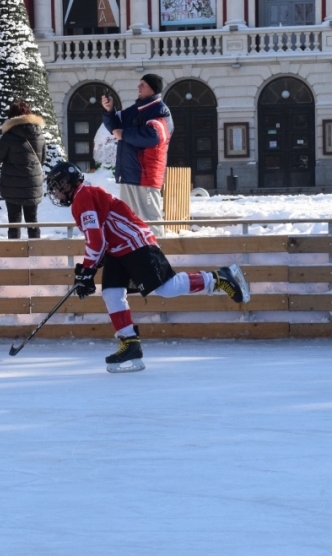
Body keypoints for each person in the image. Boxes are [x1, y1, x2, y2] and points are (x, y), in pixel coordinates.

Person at [45, 161, 250, 373]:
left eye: (55, 187)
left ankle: (218, 278)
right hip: (118, 250)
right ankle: (130, 343)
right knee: (111, 292)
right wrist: (87, 270)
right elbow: (101, 240)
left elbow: (95, 241)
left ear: (66, 183)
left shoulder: (83, 196)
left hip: (135, 244)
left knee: (167, 288)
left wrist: (87, 270)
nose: (55, 193)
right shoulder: (83, 197)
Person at [101, 74, 173, 234]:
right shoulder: (135, 110)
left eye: (143, 84)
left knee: (150, 221)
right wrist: (109, 110)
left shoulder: (161, 111)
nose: (138, 87)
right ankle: (135, 255)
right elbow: (114, 125)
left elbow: (154, 136)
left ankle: (157, 255)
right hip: (129, 174)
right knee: (129, 221)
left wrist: (124, 134)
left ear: (153, 89)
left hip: (145, 176)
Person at [0, 99, 46, 239]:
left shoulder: (9, 136)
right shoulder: (39, 134)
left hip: (12, 186)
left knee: (14, 222)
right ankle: (35, 252)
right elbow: (43, 159)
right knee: (32, 220)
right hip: (33, 185)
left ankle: (14, 254)